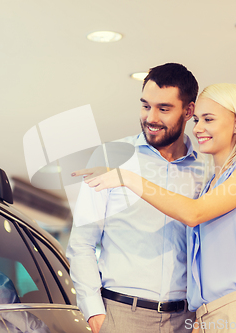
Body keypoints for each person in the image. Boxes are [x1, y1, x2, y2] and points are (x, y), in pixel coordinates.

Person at [81, 83, 236, 333]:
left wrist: (128, 178)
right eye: (197, 119)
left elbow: (193, 213)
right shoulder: (212, 182)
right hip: (210, 315)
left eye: (208, 119)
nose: (198, 128)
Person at [66, 63, 204, 333]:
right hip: (121, 315)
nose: (151, 117)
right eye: (145, 106)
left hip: (186, 319)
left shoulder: (204, 170)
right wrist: (94, 312)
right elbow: (81, 243)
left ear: (188, 111)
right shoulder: (110, 158)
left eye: (164, 109)